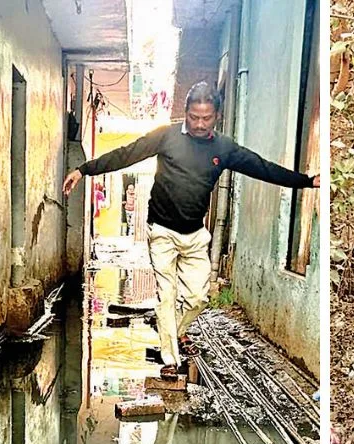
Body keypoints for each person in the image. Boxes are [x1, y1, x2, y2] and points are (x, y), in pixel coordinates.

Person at [63, 81, 320, 380]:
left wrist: (306, 180)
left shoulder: (223, 148)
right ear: (185, 113)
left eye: (206, 118)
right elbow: (127, 154)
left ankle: (173, 329)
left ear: (217, 117)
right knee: (167, 296)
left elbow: (261, 167)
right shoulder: (166, 136)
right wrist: (84, 170)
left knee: (198, 297)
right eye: (194, 117)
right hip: (161, 231)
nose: (199, 124)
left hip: (195, 235)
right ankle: (169, 358)